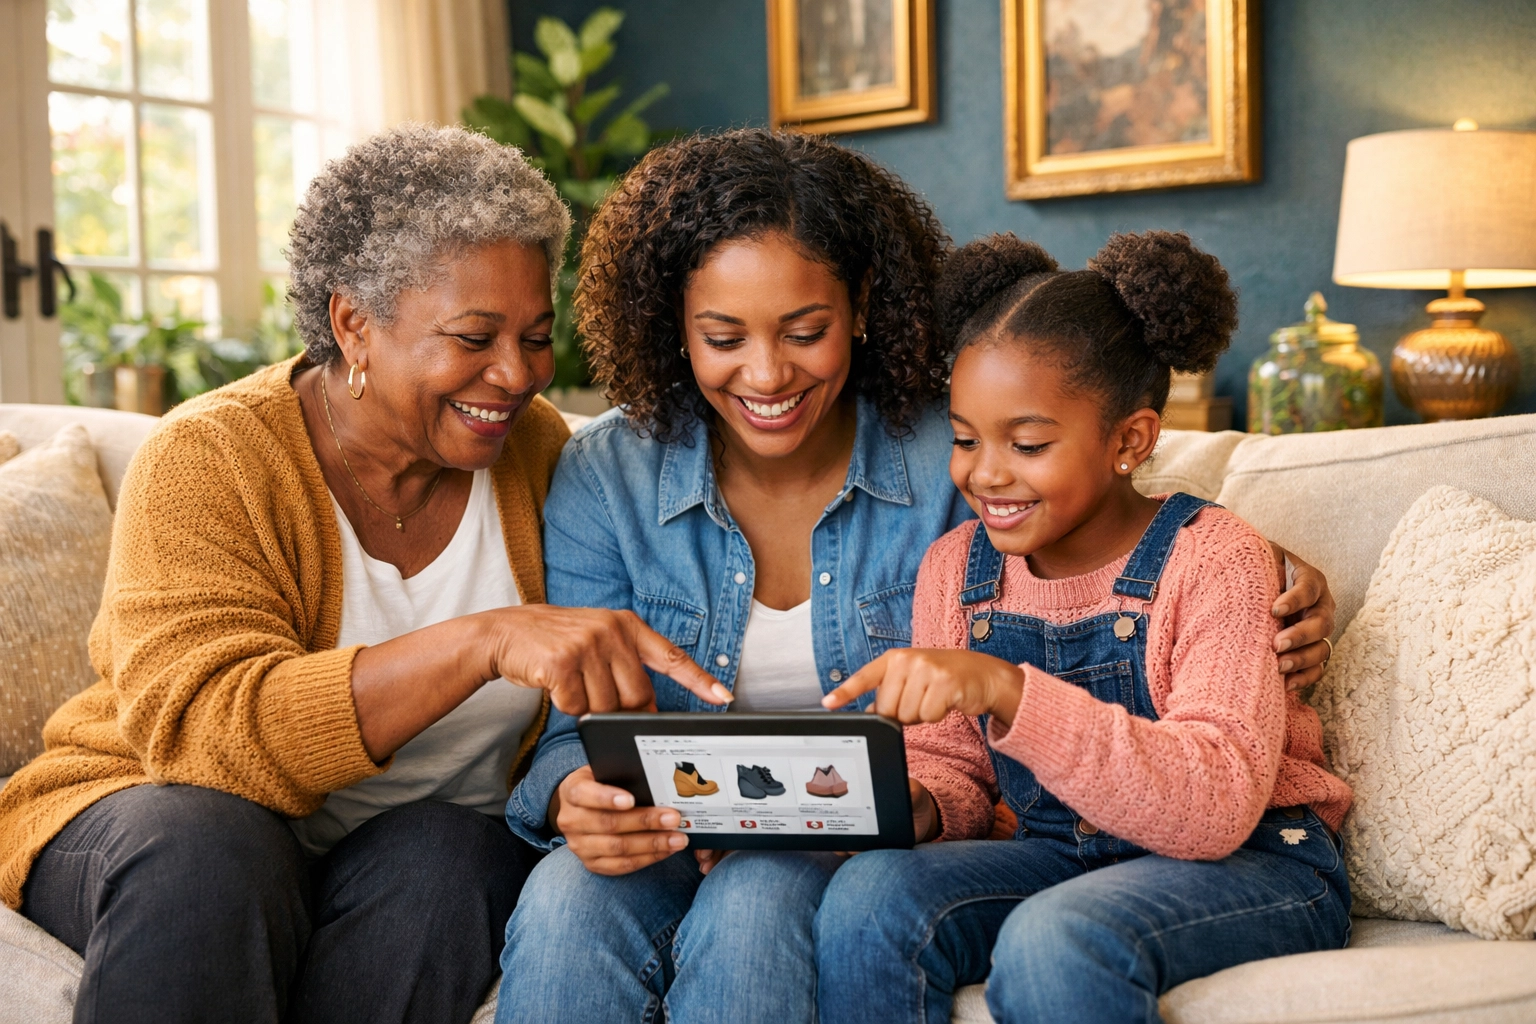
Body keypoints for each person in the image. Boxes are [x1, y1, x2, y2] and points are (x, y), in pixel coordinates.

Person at [495, 130, 1340, 1024]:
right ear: (673, 324)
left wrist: (1276, 569)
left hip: (876, 839)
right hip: (700, 827)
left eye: (805, 331)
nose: (768, 372)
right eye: (722, 336)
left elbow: (1111, 499)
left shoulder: (949, 452)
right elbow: (576, 730)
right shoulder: (607, 479)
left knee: (760, 902)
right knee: (564, 900)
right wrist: (572, 795)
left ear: (859, 306)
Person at [0, 123, 723, 1024]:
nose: (517, 375)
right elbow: (202, 736)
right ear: (354, 324)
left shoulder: (538, 455)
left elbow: (578, 719)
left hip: (410, 840)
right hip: (158, 816)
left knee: (452, 861)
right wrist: (482, 640)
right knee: (211, 847)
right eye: (473, 336)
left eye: (536, 336)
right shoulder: (211, 456)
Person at [815, 232, 1355, 1024]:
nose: (985, 472)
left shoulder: (1216, 558)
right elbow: (954, 771)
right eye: (965, 439)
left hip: (1256, 862)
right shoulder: (956, 570)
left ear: (1130, 440)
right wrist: (911, 801)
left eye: (1027, 444)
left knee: (1057, 936)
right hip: (1060, 849)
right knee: (869, 897)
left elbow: (1214, 805)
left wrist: (1007, 689)